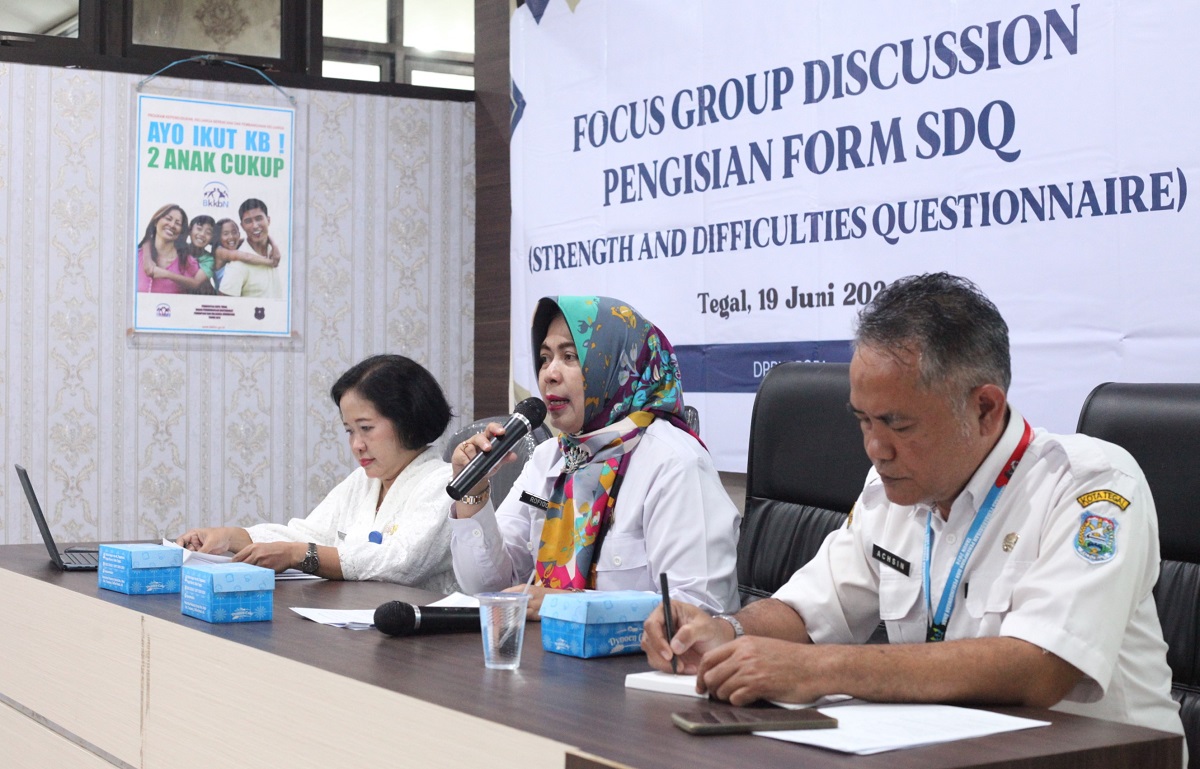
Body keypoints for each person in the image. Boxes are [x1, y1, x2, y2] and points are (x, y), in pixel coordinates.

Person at [641, 273, 1184, 740]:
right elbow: (810, 610)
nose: (875, 448)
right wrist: (726, 632)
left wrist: (819, 669)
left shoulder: (1089, 484)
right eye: (863, 421)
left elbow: (1038, 669)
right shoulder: (891, 489)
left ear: (985, 408)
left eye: (898, 424)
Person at [449, 295, 740, 616]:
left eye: (570, 356)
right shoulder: (550, 459)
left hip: (636, 664)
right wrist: (473, 493)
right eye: (545, 358)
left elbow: (701, 609)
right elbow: (486, 588)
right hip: (545, 654)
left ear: (618, 364)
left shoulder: (674, 462)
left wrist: (561, 604)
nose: (549, 374)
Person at [176, 354, 459, 592]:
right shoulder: (363, 482)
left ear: (408, 420)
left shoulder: (444, 483)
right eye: (350, 431)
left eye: (366, 429)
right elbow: (310, 535)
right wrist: (230, 537)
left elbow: (401, 562)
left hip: (426, 642)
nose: (356, 445)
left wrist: (299, 555)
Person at [218, 198, 282, 299]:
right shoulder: (237, 265)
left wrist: (274, 244)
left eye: (259, 218)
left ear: (268, 220)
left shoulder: (274, 251)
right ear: (242, 226)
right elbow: (224, 308)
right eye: (248, 221)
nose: (255, 226)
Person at [136, 204, 207, 294]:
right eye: (168, 219)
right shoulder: (136, 256)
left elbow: (198, 289)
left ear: (181, 231)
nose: (172, 225)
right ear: (156, 222)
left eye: (177, 223)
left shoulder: (187, 262)